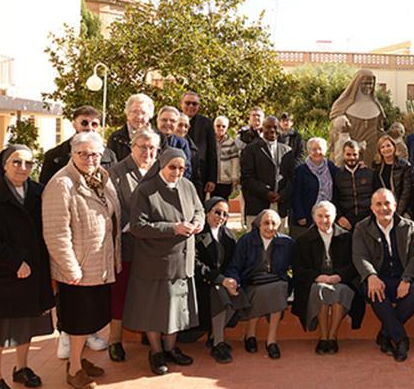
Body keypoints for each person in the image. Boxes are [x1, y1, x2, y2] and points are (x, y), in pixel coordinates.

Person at [0, 145, 55, 389]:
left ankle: (22, 368)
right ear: (4, 164)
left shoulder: (39, 192)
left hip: (32, 271)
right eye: (17, 162)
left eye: (28, 163)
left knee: (25, 323)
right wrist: (15, 261)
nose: (23, 168)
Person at [42, 132, 121, 389]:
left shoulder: (100, 179)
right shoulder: (61, 184)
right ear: (72, 154)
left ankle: (78, 360)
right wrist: (69, 266)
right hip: (78, 268)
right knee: (77, 320)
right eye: (83, 153)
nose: (89, 158)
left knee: (90, 318)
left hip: (99, 264)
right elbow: (56, 231)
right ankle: (74, 369)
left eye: (95, 154)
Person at [123, 148, 203, 376]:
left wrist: (198, 222)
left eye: (181, 168)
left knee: (176, 309)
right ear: (161, 165)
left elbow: (199, 209)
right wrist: (174, 228)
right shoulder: (145, 191)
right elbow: (137, 227)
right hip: (155, 263)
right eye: (173, 168)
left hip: (182, 260)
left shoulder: (187, 186)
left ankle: (171, 348)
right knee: (154, 311)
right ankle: (156, 352)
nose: (177, 172)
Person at [105, 128, 160, 362]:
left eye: (152, 148)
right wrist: (133, 226)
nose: (147, 152)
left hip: (154, 247)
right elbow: (110, 208)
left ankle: (151, 334)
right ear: (132, 148)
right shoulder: (116, 173)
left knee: (150, 294)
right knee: (121, 293)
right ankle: (115, 340)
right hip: (127, 244)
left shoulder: (161, 169)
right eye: (142, 147)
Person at [352, 189, 414, 362]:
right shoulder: (362, 228)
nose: (383, 208)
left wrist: (407, 279)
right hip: (377, 278)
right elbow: (359, 256)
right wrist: (371, 276)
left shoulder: (408, 226)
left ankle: (385, 333)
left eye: (387, 203)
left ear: (395, 205)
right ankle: (400, 339)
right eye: (378, 204)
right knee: (375, 291)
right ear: (371, 207)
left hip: (401, 279)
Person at [291, 201, 364, 354]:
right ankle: (323, 337)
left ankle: (332, 336)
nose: (324, 220)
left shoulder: (347, 238)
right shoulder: (303, 240)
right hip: (316, 281)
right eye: (320, 216)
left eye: (328, 216)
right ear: (313, 217)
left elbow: (355, 264)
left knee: (340, 291)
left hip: (342, 280)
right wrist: (318, 277)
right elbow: (298, 269)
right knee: (321, 290)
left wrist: (339, 276)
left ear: (335, 217)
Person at [225, 209, 294, 360]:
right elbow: (235, 265)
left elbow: (296, 267)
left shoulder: (287, 242)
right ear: (258, 225)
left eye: (274, 223)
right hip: (252, 282)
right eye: (266, 223)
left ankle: (271, 341)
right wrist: (233, 280)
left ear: (279, 225)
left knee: (279, 287)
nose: (270, 227)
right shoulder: (246, 241)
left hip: (277, 281)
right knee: (262, 290)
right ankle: (250, 334)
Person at [193, 197, 238, 364]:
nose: (221, 217)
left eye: (225, 214)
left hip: (224, 282)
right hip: (202, 284)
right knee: (219, 293)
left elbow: (234, 263)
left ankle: (213, 336)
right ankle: (218, 343)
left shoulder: (229, 236)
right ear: (207, 212)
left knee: (240, 295)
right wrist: (219, 279)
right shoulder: (197, 234)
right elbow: (194, 264)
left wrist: (232, 280)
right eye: (217, 212)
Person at [240, 116, 295, 230]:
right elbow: (247, 178)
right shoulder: (250, 150)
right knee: (254, 243)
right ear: (261, 129)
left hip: (280, 206)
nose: (272, 130)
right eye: (268, 127)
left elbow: (291, 178)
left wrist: (282, 195)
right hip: (257, 205)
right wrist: (266, 193)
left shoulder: (287, 151)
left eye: (275, 127)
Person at [41, 105, 117, 185]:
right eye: (84, 123)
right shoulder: (54, 156)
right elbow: (46, 188)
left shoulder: (110, 156)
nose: (89, 128)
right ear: (74, 125)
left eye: (94, 124)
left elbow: (115, 185)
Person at [329, 69, 386, 166]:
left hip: (371, 151)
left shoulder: (376, 105)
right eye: (365, 83)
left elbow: (380, 129)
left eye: (371, 84)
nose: (369, 87)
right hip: (350, 152)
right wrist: (339, 121)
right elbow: (335, 122)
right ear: (357, 84)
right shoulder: (343, 104)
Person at [291, 137, 338, 238]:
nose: (317, 152)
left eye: (320, 149)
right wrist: (300, 215)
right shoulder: (301, 170)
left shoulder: (331, 167)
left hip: (327, 214)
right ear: (309, 151)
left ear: (325, 151)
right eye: (313, 149)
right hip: (308, 215)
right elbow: (296, 194)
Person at [180, 91, 218, 201]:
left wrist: (212, 179)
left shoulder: (206, 123)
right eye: (187, 103)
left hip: (199, 176)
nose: (191, 106)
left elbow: (212, 152)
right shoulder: (173, 119)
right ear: (181, 104)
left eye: (194, 104)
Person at [333, 140, 374, 231]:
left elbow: (376, 196)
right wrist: (339, 217)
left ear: (359, 155)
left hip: (368, 220)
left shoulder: (369, 174)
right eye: (348, 154)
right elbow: (334, 199)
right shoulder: (338, 176)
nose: (352, 157)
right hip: (346, 222)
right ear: (343, 154)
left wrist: (373, 217)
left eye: (355, 154)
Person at [371, 134, 414, 217]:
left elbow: (406, 192)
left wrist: (397, 212)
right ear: (379, 150)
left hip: (400, 206)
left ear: (394, 147)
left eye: (388, 146)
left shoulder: (404, 166)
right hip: (382, 205)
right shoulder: (376, 165)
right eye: (382, 147)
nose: (386, 149)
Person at [108, 93, 156, 162]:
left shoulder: (160, 138)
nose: (139, 116)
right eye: (135, 112)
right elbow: (111, 166)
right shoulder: (115, 138)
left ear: (150, 115)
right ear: (127, 114)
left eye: (143, 113)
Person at [155, 106, 193, 179]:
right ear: (157, 121)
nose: (168, 123)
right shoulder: (148, 140)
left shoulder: (182, 143)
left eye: (172, 121)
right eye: (164, 120)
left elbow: (187, 169)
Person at [213, 115, 243, 200]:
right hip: (212, 179)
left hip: (225, 179)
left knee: (223, 201)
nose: (221, 128)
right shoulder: (210, 141)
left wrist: (234, 177)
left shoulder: (231, 143)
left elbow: (235, 161)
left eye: (223, 126)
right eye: (218, 126)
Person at [177, 113, 204, 199]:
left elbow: (196, 175)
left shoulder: (193, 149)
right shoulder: (164, 145)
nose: (183, 129)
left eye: (186, 126)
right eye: (180, 125)